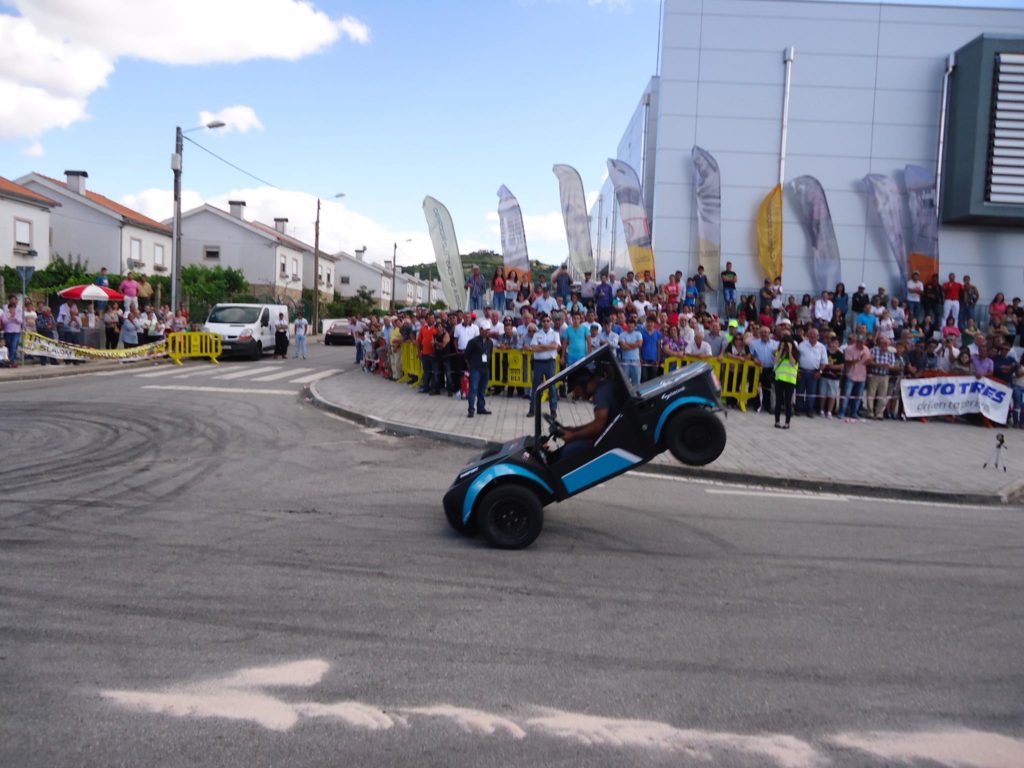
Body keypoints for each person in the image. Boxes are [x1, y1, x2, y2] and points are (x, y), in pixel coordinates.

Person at [557, 358, 626, 461]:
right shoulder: (602, 388)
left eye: (576, 390)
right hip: (609, 435)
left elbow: (597, 426)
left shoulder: (601, 393)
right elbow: (597, 423)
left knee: (569, 450)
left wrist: (573, 436)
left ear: (582, 384)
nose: (577, 395)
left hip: (609, 441)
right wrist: (574, 429)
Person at [526, 315, 561, 418]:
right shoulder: (537, 334)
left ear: (550, 322)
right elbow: (533, 348)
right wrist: (548, 346)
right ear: (541, 322)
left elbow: (555, 346)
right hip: (538, 363)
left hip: (550, 362)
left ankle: (553, 410)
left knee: (552, 387)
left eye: (548, 321)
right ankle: (532, 409)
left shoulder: (555, 334)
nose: (546, 322)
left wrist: (541, 346)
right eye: (544, 321)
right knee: (536, 387)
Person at [839, 333, 872, 422]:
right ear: (856, 341)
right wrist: (856, 360)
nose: (860, 344)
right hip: (851, 374)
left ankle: (854, 412)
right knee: (846, 395)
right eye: (859, 342)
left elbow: (867, 363)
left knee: (858, 396)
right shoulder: (849, 349)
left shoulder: (866, 350)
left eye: (862, 342)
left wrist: (869, 361)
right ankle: (842, 412)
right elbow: (847, 362)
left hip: (862, 375)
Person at [796, 327, 827, 416]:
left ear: (818, 336)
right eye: (811, 334)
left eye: (815, 334)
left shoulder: (822, 347)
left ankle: (809, 410)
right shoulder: (801, 345)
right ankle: (798, 409)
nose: (812, 335)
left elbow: (824, 362)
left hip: (814, 373)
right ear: (808, 335)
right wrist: (797, 370)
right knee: (800, 392)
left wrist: (820, 372)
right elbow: (796, 359)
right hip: (802, 371)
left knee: (811, 393)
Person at [464, 330, 494, 418]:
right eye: (485, 330)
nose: (487, 332)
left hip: (485, 368)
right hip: (476, 368)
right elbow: (467, 354)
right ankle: (471, 410)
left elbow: (490, 353)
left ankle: (481, 408)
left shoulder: (490, 342)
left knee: (482, 389)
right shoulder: (473, 342)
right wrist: (471, 364)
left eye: (488, 330)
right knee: (473, 389)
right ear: (481, 330)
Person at [773, 337, 798, 429]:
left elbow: (793, 363)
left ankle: (787, 423)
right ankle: (777, 421)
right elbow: (775, 360)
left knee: (788, 402)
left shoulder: (796, 353)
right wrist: (781, 349)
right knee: (778, 401)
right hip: (779, 379)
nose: (786, 346)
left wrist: (790, 350)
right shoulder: (779, 352)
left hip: (790, 381)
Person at [2, 296, 22, 367]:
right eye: (11, 308)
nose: (12, 309)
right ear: (8, 308)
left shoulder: (18, 313)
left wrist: (15, 317)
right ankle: (8, 360)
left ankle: (11, 361)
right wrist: (10, 317)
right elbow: (4, 322)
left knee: (13, 346)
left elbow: (20, 321)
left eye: (13, 308)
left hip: (16, 332)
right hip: (7, 331)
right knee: (9, 346)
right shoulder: (5, 313)